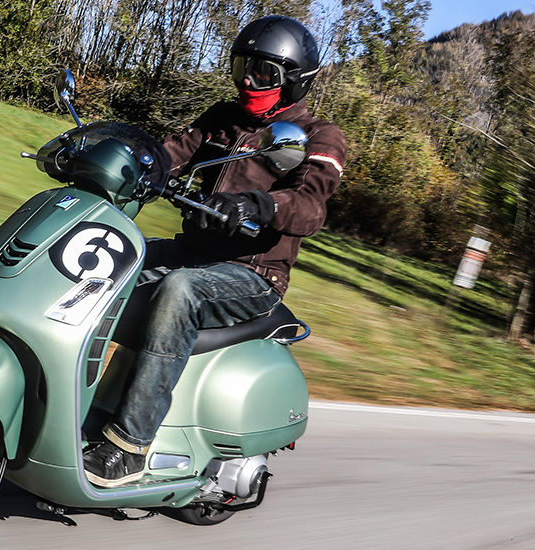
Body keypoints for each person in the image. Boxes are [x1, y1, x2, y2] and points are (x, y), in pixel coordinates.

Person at [83, 15, 347, 487]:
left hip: (252, 274)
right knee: (104, 255)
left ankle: (129, 446)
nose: (249, 80)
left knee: (180, 290)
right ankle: (72, 408)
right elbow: (168, 153)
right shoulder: (222, 118)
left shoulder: (319, 136)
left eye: (263, 72)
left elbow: (310, 206)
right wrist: (118, 159)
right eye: (243, 67)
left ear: (293, 80)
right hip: (194, 252)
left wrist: (257, 204)